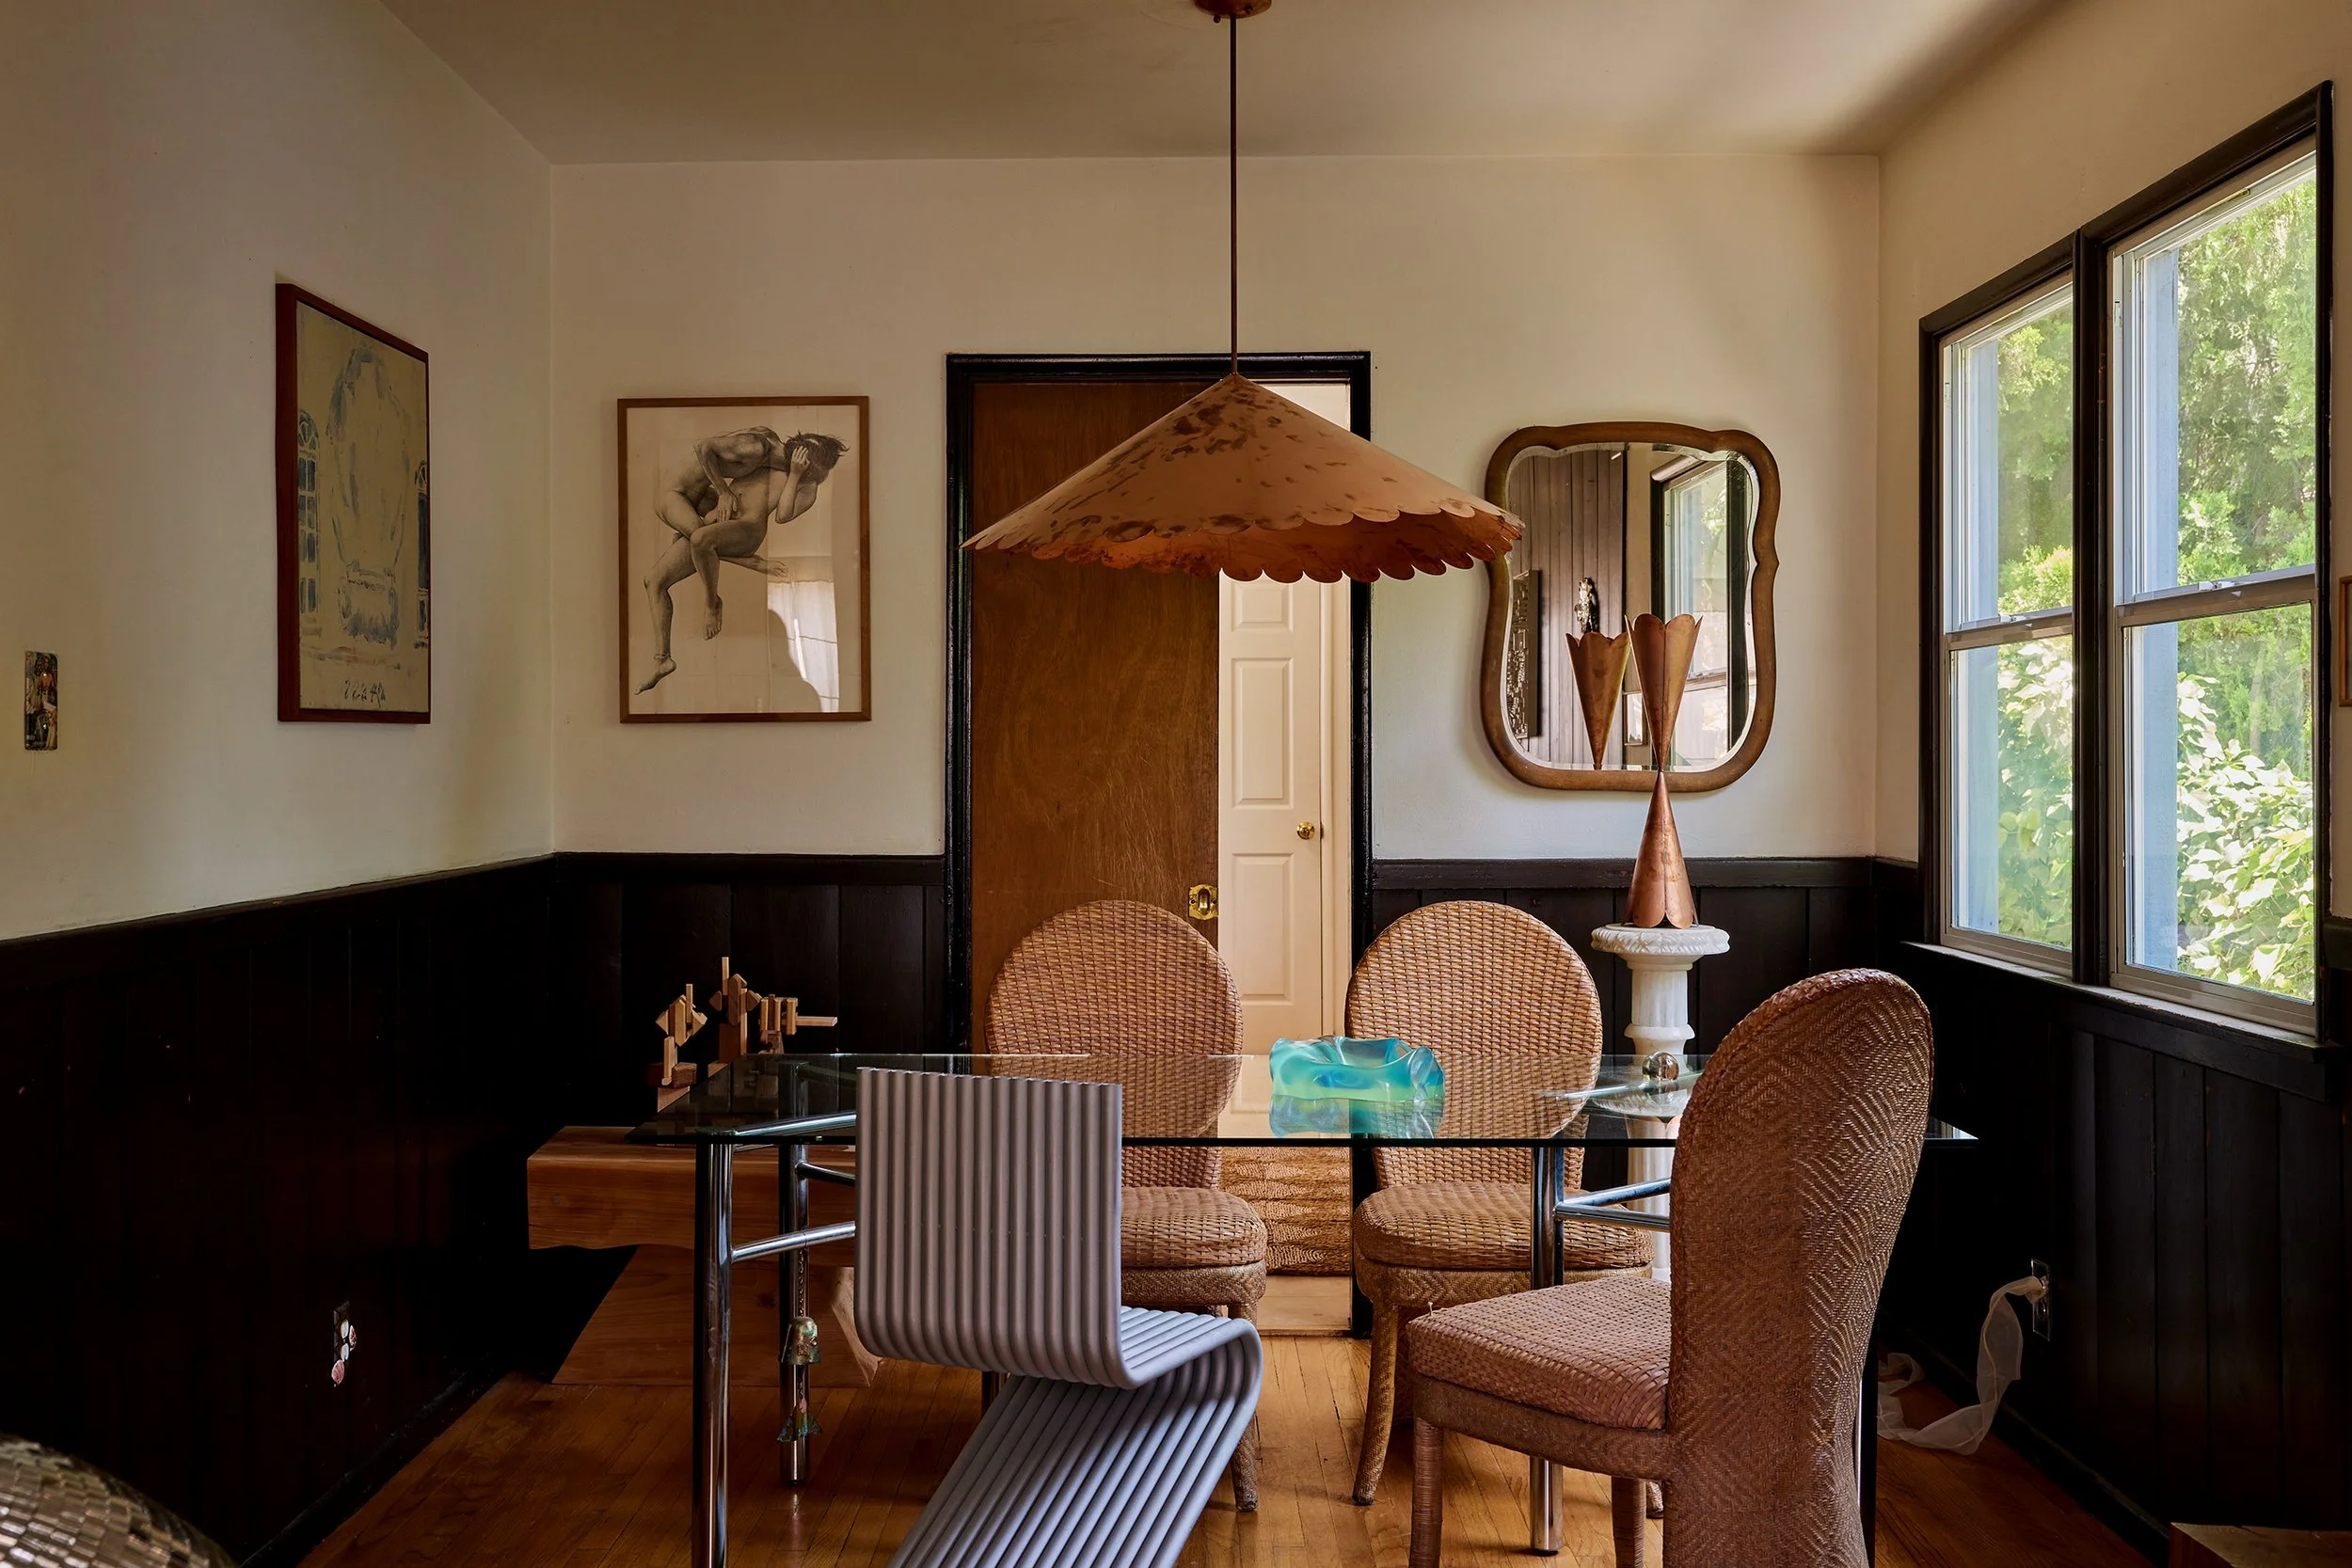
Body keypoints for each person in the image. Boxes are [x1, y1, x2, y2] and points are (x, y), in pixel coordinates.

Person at [637, 429, 848, 693]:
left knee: (700, 539)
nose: (804, 467)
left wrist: (795, 476)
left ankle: (713, 602)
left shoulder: (808, 485)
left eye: (810, 467)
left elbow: (783, 516)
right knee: (654, 581)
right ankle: (662, 659)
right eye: (799, 460)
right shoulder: (764, 449)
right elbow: (718, 450)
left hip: (746, 530)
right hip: (717, 524)